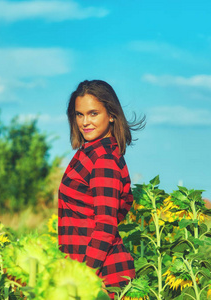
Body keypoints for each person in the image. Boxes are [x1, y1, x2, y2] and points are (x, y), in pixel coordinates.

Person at [58, 80, 145, 298]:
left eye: (93, 113)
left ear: (112, 114)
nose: (85, 122)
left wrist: (86, 278)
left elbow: (106, 225)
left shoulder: (104, 159)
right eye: (79, 115)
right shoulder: (90, 153)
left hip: (102, 277)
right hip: (87, 270)